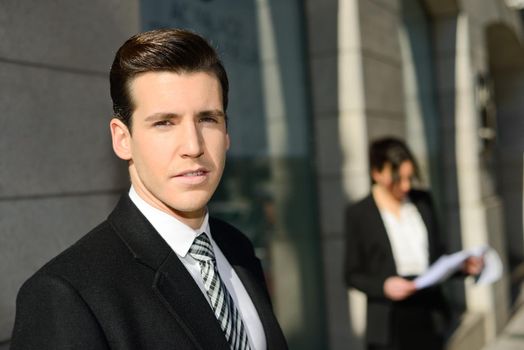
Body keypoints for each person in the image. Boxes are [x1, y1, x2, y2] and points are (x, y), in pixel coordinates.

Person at [10, 28, 287, 350]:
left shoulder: (236, 247)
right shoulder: (66, 294)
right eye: (164, 123)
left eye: (208, 119)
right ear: (122, 139)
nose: (193, 146)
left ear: (227, 133)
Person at [344, 137, 482, 350]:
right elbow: (351, 274)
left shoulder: (422, 201)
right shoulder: (359, 214)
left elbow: (439, 257)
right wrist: (383, 286)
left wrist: (462, 267)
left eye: (410, 178)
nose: (406, 186)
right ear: (377, 173)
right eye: (398, 179)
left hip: (428, 312)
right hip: (389, 321)